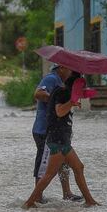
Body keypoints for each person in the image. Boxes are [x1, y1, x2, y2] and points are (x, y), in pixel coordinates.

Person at [24, 71, 99, 208]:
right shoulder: (62, 93)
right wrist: (71, 103)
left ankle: (89, 201)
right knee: (49, 174)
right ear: (75, 86)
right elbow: (59, 111)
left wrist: (73, 102)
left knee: (78, 167)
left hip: (63, 139)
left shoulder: (63, 92)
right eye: (81, 88)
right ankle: (29, 203)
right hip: (57, 140)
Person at [32, 64, 82, 203]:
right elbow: (38, 94)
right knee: (44, 163)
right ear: (61, 68)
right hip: (45, 130)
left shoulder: (62, 84)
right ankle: (37, 196)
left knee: (64, 161)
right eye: (69, 69)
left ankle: (67, 192)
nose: (71, 72)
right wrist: (55, 99)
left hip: (59, 131)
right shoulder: (51, 79)